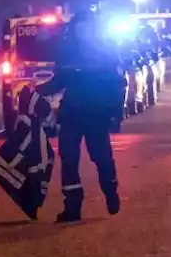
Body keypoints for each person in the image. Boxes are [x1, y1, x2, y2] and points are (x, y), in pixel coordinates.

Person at [36, 12, 126, 223]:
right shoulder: (66, 53)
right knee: (68, 160)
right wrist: (37, 91)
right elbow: (59, 82)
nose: (81, 31)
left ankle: (110, 192)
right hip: (71, 114)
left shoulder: (106, 52)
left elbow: (118, 85)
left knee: (101, 159)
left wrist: (115, 114)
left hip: (97, 114)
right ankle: (72, 208)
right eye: (78, 28)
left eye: (85, 27)